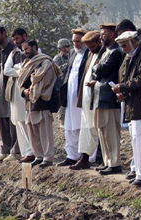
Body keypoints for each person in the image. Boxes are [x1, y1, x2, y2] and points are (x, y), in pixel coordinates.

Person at [112, 31, 141, 186]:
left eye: (125, 45)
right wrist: (121, 91)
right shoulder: (129, 57)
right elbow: (124, 77)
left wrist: (123, 87)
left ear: (133, 41)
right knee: (137, 141)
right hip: (134, 105)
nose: (123, 48)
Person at [18, 39, 61, 168]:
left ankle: (48, 157)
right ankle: (38, 155)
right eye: (23, 49)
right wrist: (24, 91)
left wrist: (33, 90)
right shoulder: (27, 64)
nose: (25, 52)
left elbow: (45, 81)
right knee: (32, 131)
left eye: (27, 49)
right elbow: (20, 82)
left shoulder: (45, 62)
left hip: (42, 100)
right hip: (29, 102)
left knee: (44, 131)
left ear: (34, 47)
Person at [91, 24, 124, 175]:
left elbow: (101, 69)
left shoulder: (116, 52)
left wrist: (97, 68)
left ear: (111, 35)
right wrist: (97, 68)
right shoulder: (105, 52)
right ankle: (107, 161)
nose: (101, 37)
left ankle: (115, 163)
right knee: (102, 132)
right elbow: (96, 71)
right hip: (100, 97)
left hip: (109, 98)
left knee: (110, 131)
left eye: (103, 34)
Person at [70, 31, 102, 170]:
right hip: (87, 97)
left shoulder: (104, 54)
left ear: (98, 43)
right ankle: (84, 158)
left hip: (99, 97)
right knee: (86, 128)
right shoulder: (90, 54)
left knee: (99, 129)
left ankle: (101, 159)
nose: (90, 48)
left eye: (92, 45)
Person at [57, 28, 89, 167]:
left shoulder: (89, 54)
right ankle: (71, 155)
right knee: (69, 126)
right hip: (70, 96)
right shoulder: (73, 54)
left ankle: (84, 156)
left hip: (83, 97)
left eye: (78, 41)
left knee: (83, 126)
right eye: (74, 41)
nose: (76, 44)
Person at [3, 28, 34, 162]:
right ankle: (25, 151)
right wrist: (20, 71)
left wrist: (19, 69)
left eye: (18, 38)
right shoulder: (14, 52)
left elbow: (33, 68)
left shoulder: (34, 51)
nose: (16, 41)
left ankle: (33, 151)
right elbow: (6, 69)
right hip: (16, 89)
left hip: (28, 89)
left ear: (24, 36)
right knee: (19, 121)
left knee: (28, 120)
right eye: (14, 39)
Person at [0, 26, 20, 161]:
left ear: (4, 33)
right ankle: (5, 149)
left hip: (11, 87)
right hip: (0, 87)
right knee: (2, 117)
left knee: (12, 119)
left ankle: (15, 151)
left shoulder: (13, 49)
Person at [54, 38, 72, 127]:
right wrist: (68, 64)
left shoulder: (71, 56)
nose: (67, 49)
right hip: (62, 83)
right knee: (62, 104)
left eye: (68, 46)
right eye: (65, 47)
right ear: (61, 48)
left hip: (70, 82)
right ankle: (62, 122)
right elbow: (56, 70)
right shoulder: (57, 58)